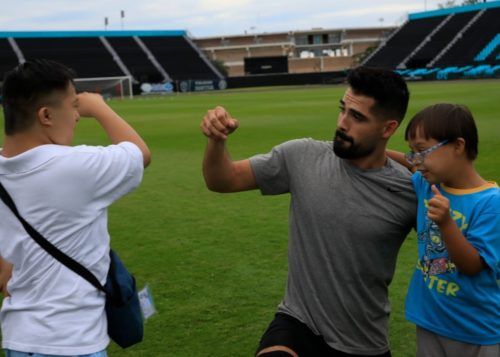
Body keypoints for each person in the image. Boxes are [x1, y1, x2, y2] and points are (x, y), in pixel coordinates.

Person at [200, 66, 417, 356]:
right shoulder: (303, 156)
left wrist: (419, 165)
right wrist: (217, 141)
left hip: (363, 342)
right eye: (342, 109)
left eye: (357, 117)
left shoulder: (410, 190)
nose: (342, 123)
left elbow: (457, 250)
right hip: (297, 322)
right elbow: (222, 180)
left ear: (388, 128)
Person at [0, 59, 151, 356]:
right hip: (74, 341)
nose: (77, 116)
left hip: (19, 338)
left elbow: (3, 274)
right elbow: (140, 153)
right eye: (73, 106)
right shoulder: (76, 166)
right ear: (45, 115)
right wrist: (98, 106)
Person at [387, 103, 499, 357]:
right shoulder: (428, 182)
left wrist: (447, 224)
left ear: (458, 146)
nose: (416, 160)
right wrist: (375, 149)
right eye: (413, 151)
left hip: (477, 330)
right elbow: (408, 164)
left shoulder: (491, 203)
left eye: (422, 151)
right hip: (429, 319)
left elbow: (472, 266)